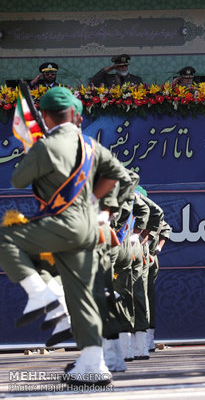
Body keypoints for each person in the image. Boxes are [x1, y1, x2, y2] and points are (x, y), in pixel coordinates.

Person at [0, 87, 130, 385]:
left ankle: (42, 296)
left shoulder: (45, 146)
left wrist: (34, 150)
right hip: (90, 229)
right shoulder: (90, 145)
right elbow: (119, 176)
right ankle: (93, 365)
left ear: (45, 117)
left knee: (6, 238)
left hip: (61, 225)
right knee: (82, 297)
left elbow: (18, 180)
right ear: (74, 114)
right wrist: (101, 207)